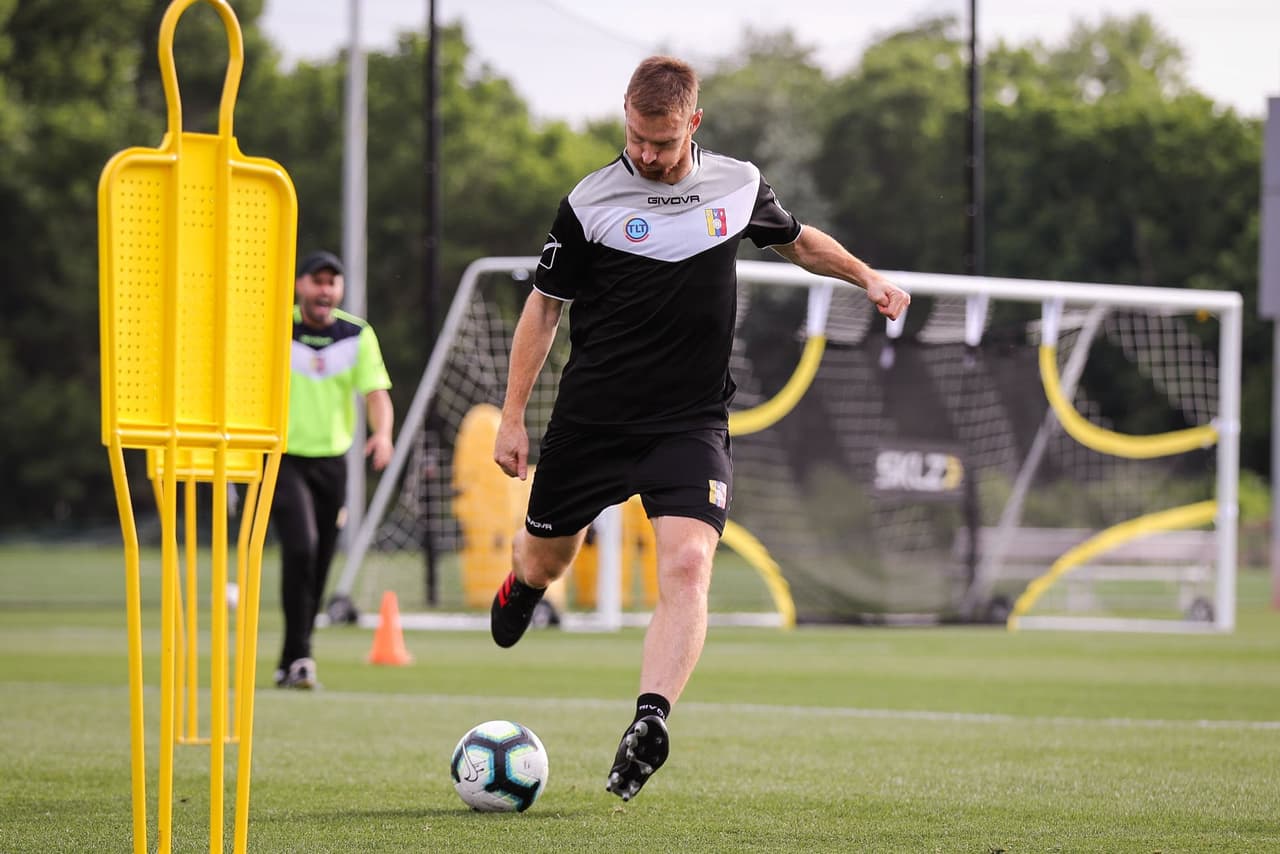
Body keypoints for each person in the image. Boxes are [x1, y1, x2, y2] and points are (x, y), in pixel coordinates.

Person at [489, 56, 910, 800]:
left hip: (689, 422)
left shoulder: (737, 184)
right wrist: (513, 415)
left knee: (687, 564)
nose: (647, 154)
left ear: (694, 123)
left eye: (663, 141)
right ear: (625, 112)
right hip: (593, 421)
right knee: (546, 559)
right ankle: (523, 584)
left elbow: (800, 240)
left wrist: (867, 276)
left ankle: (650, 720)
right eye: (637, 137)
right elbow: (544, 307)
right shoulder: (589, 203)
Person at [272, 250, 394, 689]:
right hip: (282, 459)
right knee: (301, 547)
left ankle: (295, 659)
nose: (325, 290)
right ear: (300, 285)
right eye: (317, 281)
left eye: (332, 283)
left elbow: (376, 392)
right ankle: (299, 656)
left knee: (321, 559)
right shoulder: (274, 325)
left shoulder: (356, 334)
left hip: (332, 463)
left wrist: (382, 434)